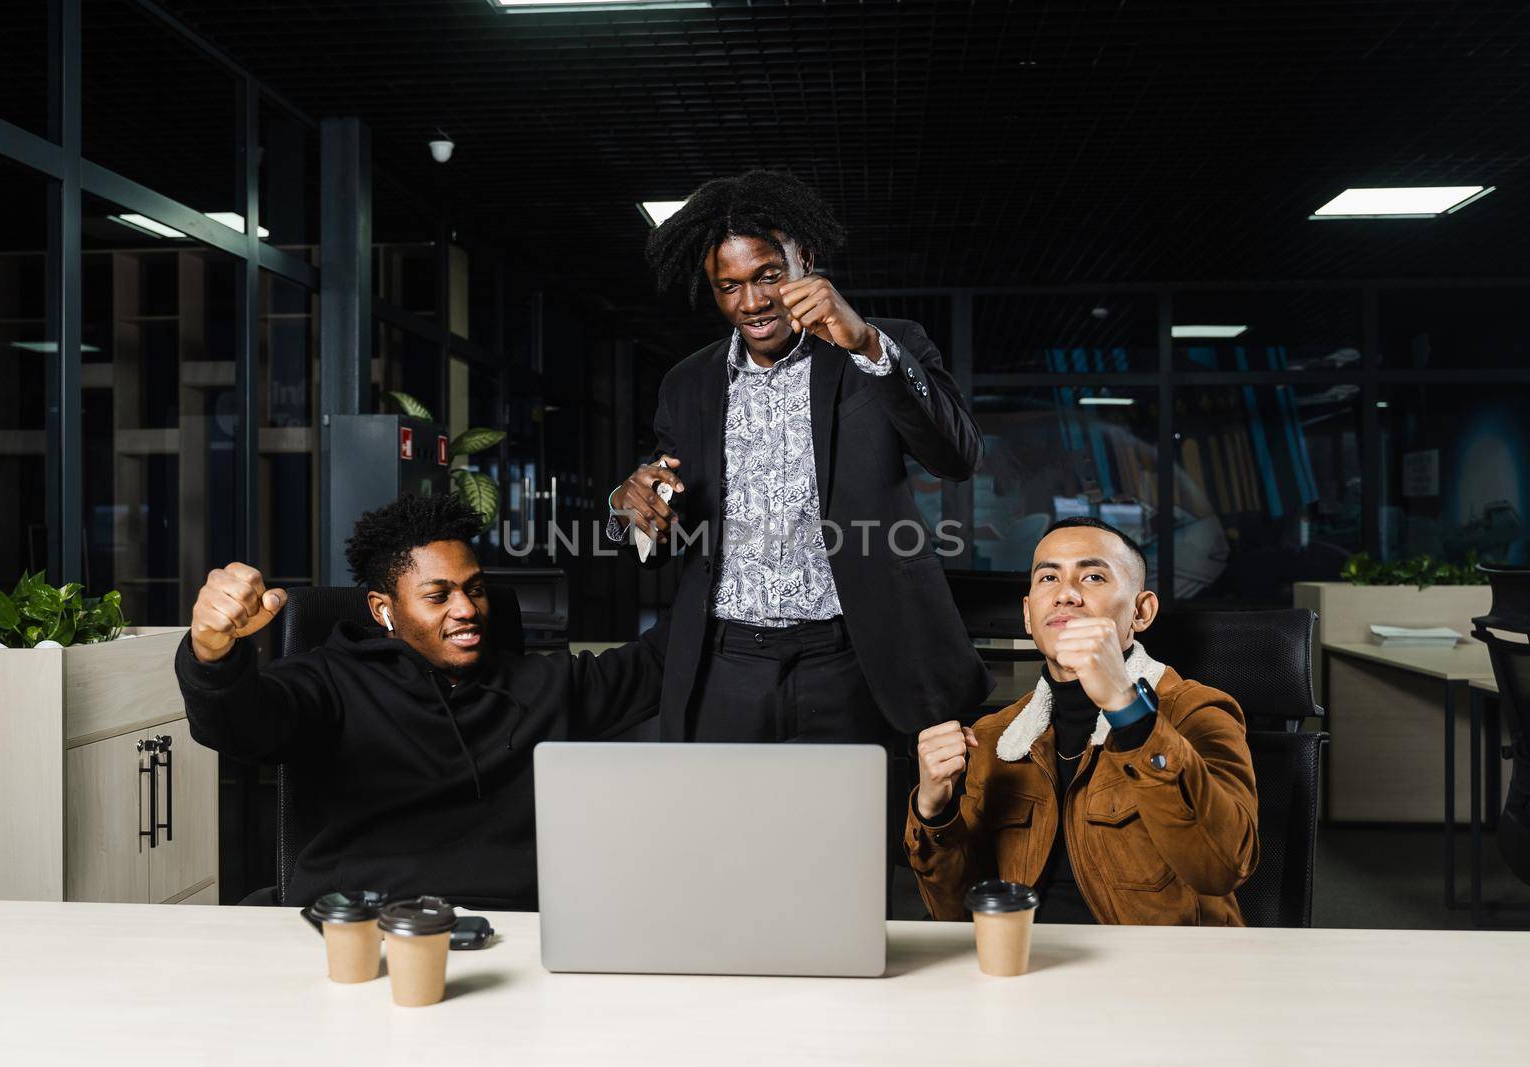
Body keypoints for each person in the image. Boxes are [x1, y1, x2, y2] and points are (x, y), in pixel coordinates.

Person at [607, 169, 988, 746]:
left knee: (859, 831)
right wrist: (630, 507)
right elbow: (664, 517)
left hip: (854, 658)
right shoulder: (687, 384)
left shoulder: (883, 343)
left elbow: (957, 455)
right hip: (725, 663)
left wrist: (865, 344)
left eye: (767, 276)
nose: (752, 302)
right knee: (729, 830)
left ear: (803, 260)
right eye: (728, 286)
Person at [174, 493, 664, 909]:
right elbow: (238, 722)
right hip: (365, 933)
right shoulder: (330, 681)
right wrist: (212, 651)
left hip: (511, 935)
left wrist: (729, 560)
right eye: (438, 596)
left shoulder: (544, 683)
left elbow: (664, 660)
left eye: (475, 590)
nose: (467, 609)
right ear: (383, 610)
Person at [906, 517, 1260, 925]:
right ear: (1027, 614)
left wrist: (1127, 709)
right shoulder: (993, 738)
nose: (1066, 595)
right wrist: (933, 813)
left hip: (1152, 974)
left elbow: (1222, 868)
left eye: (1092, 577)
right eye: (1048, 578)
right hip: (1025, 966)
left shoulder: (1196, 711)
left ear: (1141, 612)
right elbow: (956, 917)